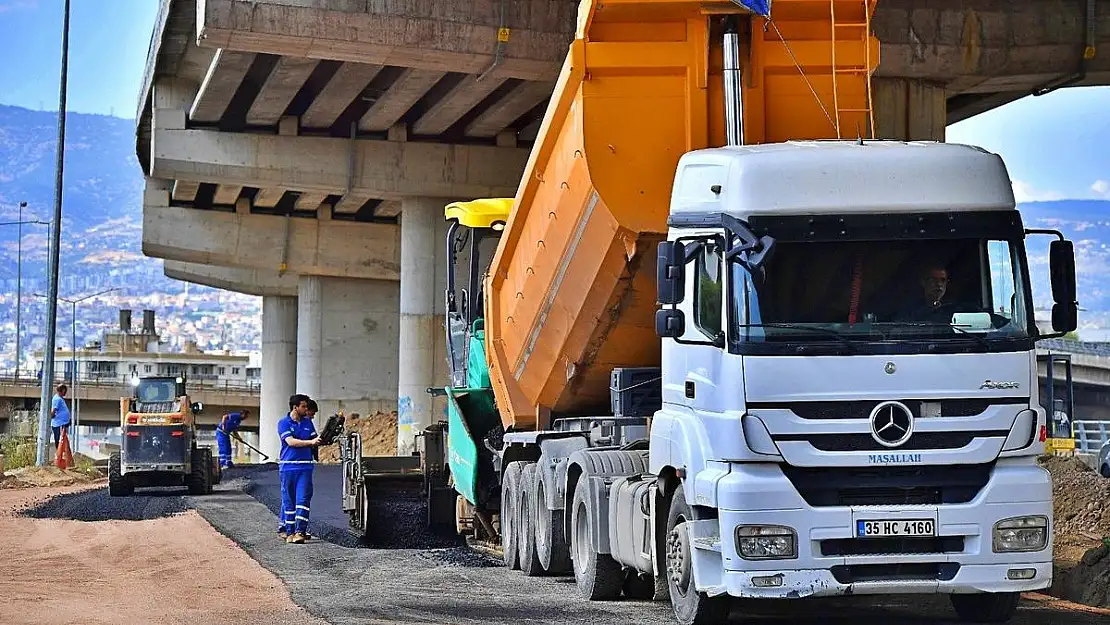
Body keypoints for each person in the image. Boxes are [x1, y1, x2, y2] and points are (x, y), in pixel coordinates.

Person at [277, 394, 320, 544]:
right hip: (288, 467)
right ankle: (288, 532)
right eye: (304, 406)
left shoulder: (308, 423)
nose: (306, 409)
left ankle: (300, 531)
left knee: (303, 499)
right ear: (295, 407)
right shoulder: (283, 423)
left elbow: (316, 441)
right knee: (289, 501)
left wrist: (325, 438)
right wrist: (311, 442)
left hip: (305, 467)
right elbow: (291, 442)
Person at [50, 384, 71, 450]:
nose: (66, 392)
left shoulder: (59, 398)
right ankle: (59, 454)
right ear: (63, 390)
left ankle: (61, 453)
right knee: (59, 440)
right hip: (59, 423)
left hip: (62, 423)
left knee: (62, 440)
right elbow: (53, 411)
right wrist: (53, 416)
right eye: (65, 391)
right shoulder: (57, 399)